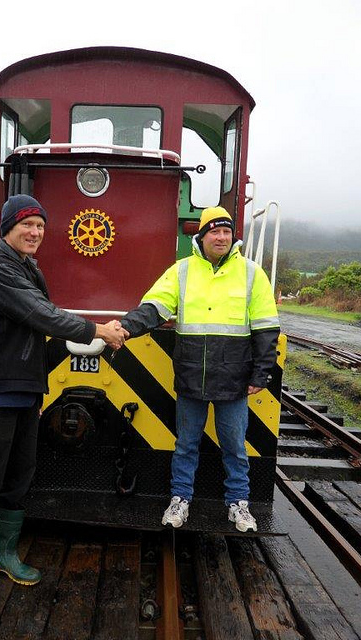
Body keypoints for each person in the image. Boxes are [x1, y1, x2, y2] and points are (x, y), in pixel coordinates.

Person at [0, 194, 126, 606]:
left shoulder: (22, 266)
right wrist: (99, 331)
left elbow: (41, 316)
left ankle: (0, 555)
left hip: (22, 389)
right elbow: (43, 316)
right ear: (7, 227)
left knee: (20, 475)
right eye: (27, 225)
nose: (35, 232)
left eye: (40, 226)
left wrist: (38, 388)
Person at [121, 206, 280, 532]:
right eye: (214, 231)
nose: (221, 237)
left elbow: (266, 326)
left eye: (226, 231)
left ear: (232, 236)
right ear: (202, 236)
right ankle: (180, 500)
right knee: (185, 445)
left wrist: (262, 372)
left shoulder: (252, 273)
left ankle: (239, 504)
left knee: (235, 447)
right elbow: (154, 307)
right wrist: (123, 328)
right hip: (192, 376)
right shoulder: (181, 271)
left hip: (234, 380)